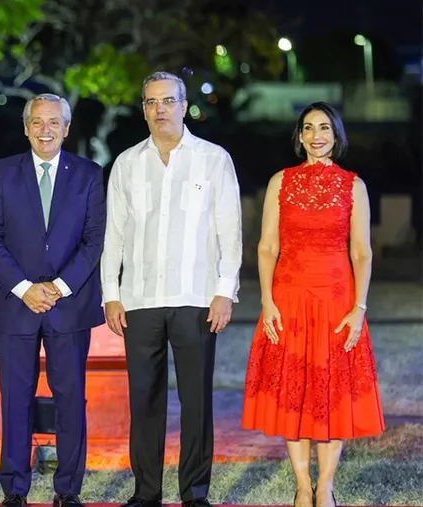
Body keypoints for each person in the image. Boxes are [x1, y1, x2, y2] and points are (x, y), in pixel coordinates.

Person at [100, 71, 243, 507]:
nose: (159, 109)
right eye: (150, 102)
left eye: (168, 100)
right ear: (142, 109)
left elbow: (229, 231)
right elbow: (115, 235)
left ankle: (194, 494)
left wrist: (225, 290)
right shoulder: (127, 163)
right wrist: (111, 292)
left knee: (196, 402)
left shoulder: (213, 159)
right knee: (143, 401)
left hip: (197, 298)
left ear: (184, 105)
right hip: (140, 299)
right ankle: (146, 494)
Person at [241, 102, 385, 507]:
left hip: (337, 301)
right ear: (300, 136)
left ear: (336, 136)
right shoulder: (280, 182)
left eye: (324, 128)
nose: (316, 135)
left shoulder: (353, 185)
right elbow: (267, 246)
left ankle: (325, 487)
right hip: (288, 299)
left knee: (331, 393)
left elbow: (362, 252)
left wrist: (360, 307)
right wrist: (267, 301)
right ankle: (303, 486)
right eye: (308, 128)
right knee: (294, 391)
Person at [0, 93, 107, 507]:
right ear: (26, 127)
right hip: (16, 305)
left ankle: (68, 489)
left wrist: (58, 287)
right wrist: (24, 288)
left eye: (54, 122)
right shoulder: (1, 173)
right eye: (37, 122)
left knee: (71, 399)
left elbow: (93, 240)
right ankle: (14, 489)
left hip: (69, 306)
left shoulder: (89, 174)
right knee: (16, 399)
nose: (45, 129)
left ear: (67, 129)